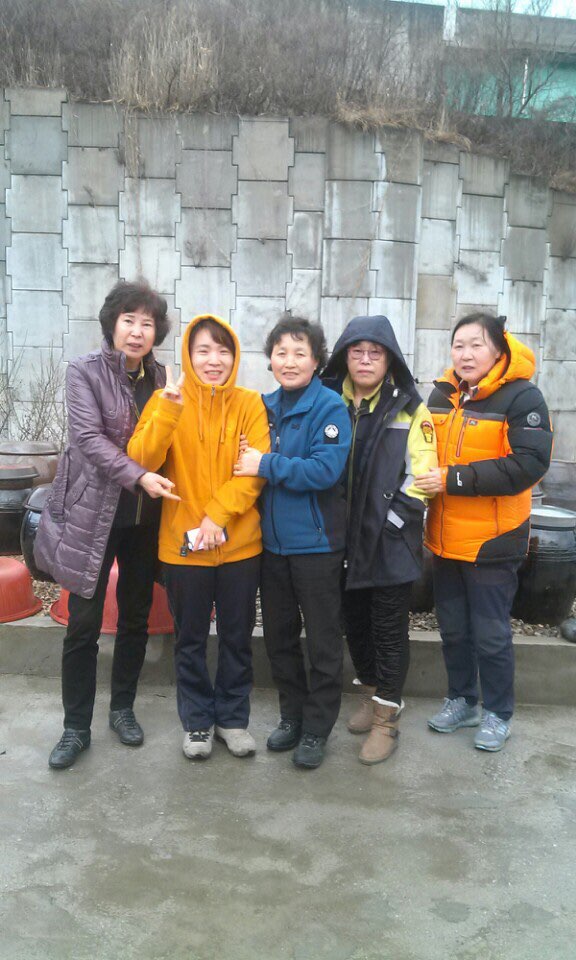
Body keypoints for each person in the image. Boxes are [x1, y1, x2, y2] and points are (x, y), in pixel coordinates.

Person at [35, 280, 178, 770]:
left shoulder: (163, 380)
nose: (137, 331)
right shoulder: (84, 371)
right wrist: (140, 476)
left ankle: (122, 709)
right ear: (112, 324)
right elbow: (89, 439)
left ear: (157, 331)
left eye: (147, 323)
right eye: (128, 320)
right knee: (83, 624)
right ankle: (75, 727)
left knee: (136, 618)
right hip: (92, 518)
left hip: (144, 521)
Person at [127, 314, 270, 761]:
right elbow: (141, 459)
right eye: (203, 350)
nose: (214, 360)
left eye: (223, 351)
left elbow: (255, 473)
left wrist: (216, 517)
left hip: (239, 546)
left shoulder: (250, 404)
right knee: (189, 640)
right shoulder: (165, 398)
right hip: (183, 548)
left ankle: (232, 719)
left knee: (236, 637)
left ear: (235, 357)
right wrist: (168, 410)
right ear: (188, 355)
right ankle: (197, 723)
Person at [414, 313, 553, 752]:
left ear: (498, 350)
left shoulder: (522, 397)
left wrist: (452, 478)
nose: (466, 354)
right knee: (453, 629)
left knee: (491, 634)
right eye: (459, 345)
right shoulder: (441, 394)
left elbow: (528, 465)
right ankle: (462, 699)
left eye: (476, 344)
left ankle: (498, 712)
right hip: (444, 537)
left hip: (494, 539)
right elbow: (421, 449)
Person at [234, 316, 351, 770]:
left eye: (300, 353)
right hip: (271, 548)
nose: (289, 361)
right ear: (270, 359)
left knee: (322, 641)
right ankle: (292, 717)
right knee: (279, 639)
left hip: (317, 548)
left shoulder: (330, 408)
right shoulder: (262, 407)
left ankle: (317, 728)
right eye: (281, 352)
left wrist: (266, 463)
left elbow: (324, 471)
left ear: (316, 360)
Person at [322, 315, 438, 764]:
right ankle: (371, 695)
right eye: (357, 352)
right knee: (354, 624)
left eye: (375, 353)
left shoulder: (410, 408)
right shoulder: (329, 400)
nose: (366, 360)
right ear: (344, 356)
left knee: (388, 631)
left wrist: (391, 522)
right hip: (341, 540)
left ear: (389, 360)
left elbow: (422, 478)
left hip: (389, 540)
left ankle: (387, 719)